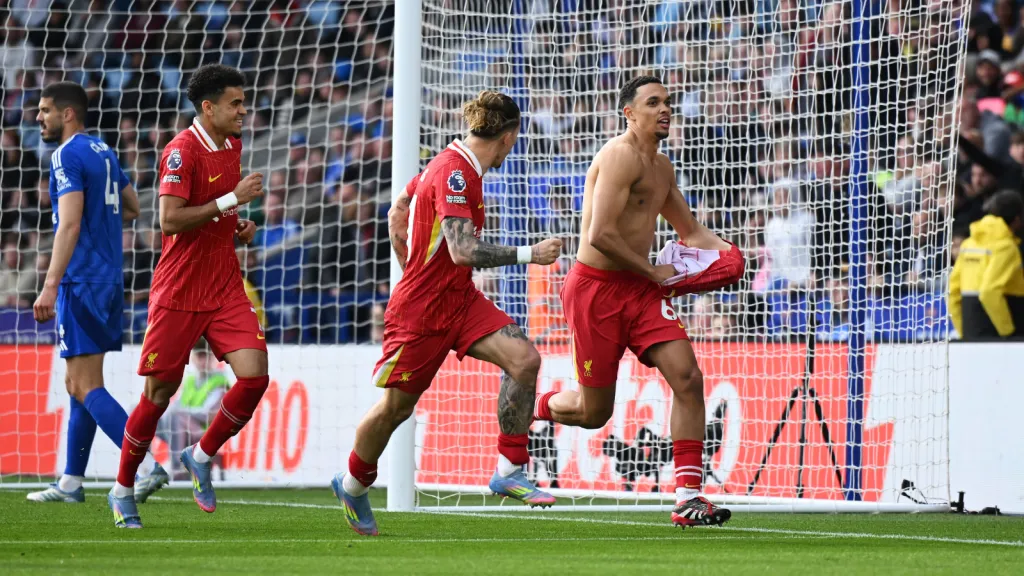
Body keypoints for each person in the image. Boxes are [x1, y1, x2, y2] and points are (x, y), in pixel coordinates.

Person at [335, 90, 563, 536]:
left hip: (458, 300)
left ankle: (510, 468)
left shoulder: (449, 163)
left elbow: (396, 212)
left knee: (525, 360)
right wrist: (528, 253)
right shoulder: (456, 173)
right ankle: (353, 485)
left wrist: (411, 263)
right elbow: (462, 251)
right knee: (395, 409)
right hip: (422, 311)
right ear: (509, 137)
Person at [533, 76, 736, 528]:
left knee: (688, 376)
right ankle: (532, 402)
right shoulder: (618, 156)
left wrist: (729, 251)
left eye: (668, 102)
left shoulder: (662, 168)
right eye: (654, 102)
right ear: (629, 112)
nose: (665, 109)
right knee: (593, 412)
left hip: (639, 291)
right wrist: (652, 271)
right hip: (596, 291)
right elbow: (599, 235)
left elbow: (689, 231)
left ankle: (688, 496)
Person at [107, 64, 267, 529]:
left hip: (222, 284)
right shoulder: (181, 152)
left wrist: (234, 225)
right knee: (157, 395)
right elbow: (169, 221)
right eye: (235, 103)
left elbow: (213, 211)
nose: (243, 110)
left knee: (255, 376)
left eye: (243, 101)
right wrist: (229, 202)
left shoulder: (232, 145)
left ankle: (199, 455)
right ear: (208, 107)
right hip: (178, 291)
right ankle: (122, 490)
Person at [25, 82, 170, 505]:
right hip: (108, 280)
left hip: (81, 281)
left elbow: (68, 225)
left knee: (84, 384)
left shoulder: (65, 155)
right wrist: (98, 225)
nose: (39, 118)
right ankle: (71, 481)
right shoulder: (103, 151)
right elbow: (132, 206)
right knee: (79, 383)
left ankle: (144, 465)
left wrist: (50, 285)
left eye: (46, 110)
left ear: (68, 114)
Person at [949, 189, 1024, 340]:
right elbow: (990, 291)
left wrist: (963, 330)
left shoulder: (969, 244)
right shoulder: (1006, 246)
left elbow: (952, 292)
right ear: (1017, 219)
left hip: (971, 327)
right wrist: (1008, 332)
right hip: (1001, 325)